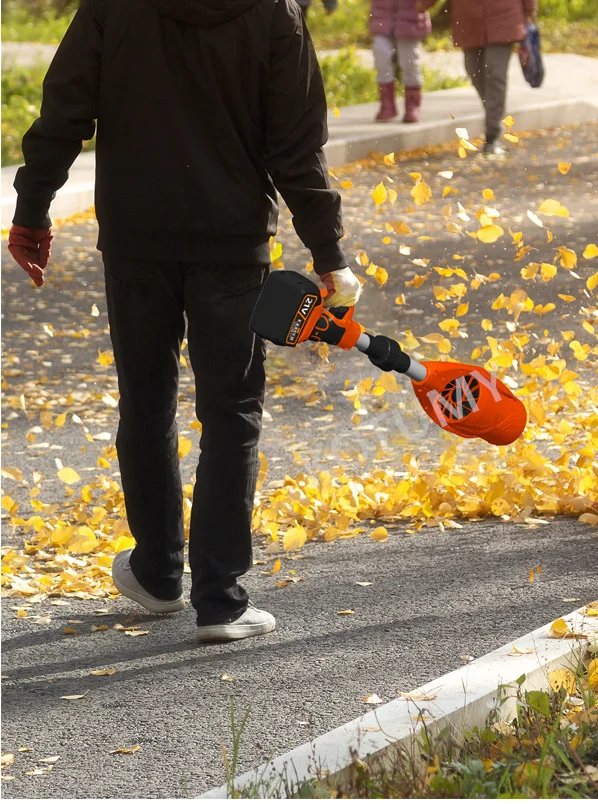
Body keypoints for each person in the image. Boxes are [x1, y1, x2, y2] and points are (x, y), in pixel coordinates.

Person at [7, 0, 362, 643]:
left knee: (146, 402)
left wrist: (33, 206)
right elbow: (296, 144)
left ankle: (158, 572)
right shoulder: (274, 12)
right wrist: (327, 249)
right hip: (232, 241)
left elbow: (66, 106)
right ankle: (221, 600)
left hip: (135, 235)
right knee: (232, 411)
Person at [450, 0, 537, 156]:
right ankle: (494, 115)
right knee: (474, 71)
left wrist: (530, 7)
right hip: (469, 20)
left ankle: (493, 137)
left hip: (504, 18)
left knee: (495, 75)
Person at [370, 0, 435, 123]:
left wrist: (425, 3)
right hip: (382, 16)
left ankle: (412, 105)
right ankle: (387, 103)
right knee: (380, 53)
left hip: (410, 18)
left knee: (410, 61)